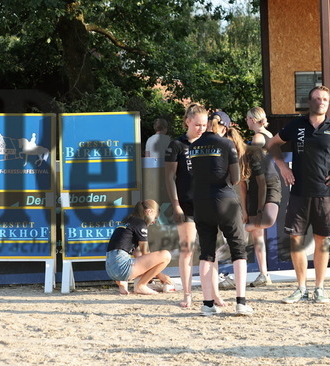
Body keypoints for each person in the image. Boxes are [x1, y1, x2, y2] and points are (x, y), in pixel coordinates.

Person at [268, 85, 330, 304]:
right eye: (318, 98)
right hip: (299, 193)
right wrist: (283, 167)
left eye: (325, 99)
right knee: (296, 240)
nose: (322, 102)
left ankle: (319, 288)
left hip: (325, 194)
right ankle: (301, 288)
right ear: (309, 102)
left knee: (322, 242)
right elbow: (272, 144)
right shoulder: (296, 125)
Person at [190, 111, 254, 316]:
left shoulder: (193, 146)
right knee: (238, 250)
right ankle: (241, 302)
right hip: (225, 200)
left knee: (206, 253)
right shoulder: (227, 144)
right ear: (224, 127)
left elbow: (194, 174)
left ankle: (207, 304)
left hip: (201, 202)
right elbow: (235, 179)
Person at [164, 103, 208, 308]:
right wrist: (176, 205)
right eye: (197, 124)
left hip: (208, 202)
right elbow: (169, 177)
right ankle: (187, 294)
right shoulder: (177, 145)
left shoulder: (209, 143)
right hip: (186, 203)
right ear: (188, 121)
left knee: (209, 250)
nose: (201, 129)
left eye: (204, 125)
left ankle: (213, 294)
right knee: (187, 249)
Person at [244, 107, 282, 286]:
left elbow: (254, 160)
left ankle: (242, 228)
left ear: (252, 119)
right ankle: (264, 274)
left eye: (247, 118)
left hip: (265, 181)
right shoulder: (268, 134)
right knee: (258, 234)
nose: (246, 121)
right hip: (262, 182)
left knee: (264, 223)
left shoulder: (259, 137)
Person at [105, 200, 172, 295]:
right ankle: (141, 286)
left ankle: (124, 283)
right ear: (149, 211)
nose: (153, 222)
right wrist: (161, 276)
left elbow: (138, 254)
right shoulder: (140, 223)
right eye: (155, 218)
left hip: (110, 269)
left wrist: (151, 275)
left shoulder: (127, 221)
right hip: (121, 267)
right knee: (166, 256)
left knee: (138, 258)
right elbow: (146, 253)